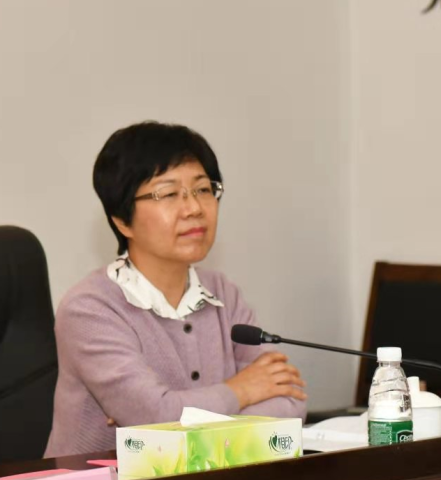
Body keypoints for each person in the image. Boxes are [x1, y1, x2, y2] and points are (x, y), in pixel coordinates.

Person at [45, 121, 306, 457]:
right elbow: (154, 419)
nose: (194, 208)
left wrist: (175, 414)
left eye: (203, 190)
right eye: (168, 194)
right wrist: (241, 391)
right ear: (122, 220)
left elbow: (289, 401)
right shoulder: (89, 309)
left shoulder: (223, 293)